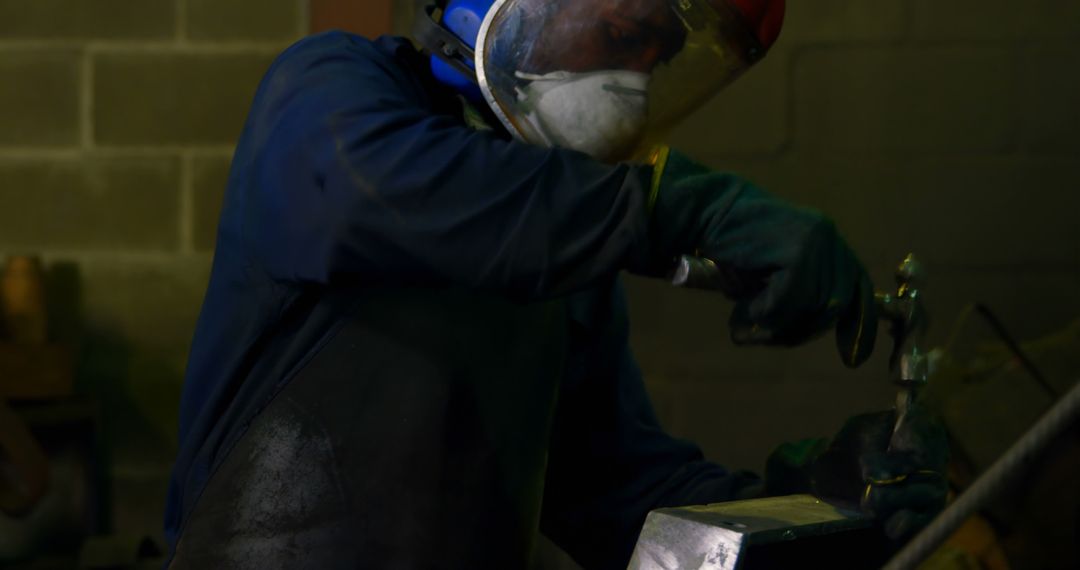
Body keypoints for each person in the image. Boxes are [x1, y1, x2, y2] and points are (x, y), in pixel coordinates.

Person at [163, 0, 946, 568]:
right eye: (620, 35)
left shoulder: (567, 254)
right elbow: (371, 191)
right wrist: (679, 207)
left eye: (657, 59)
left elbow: (620, 495)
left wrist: (817, 504)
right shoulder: (333, 92)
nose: (635, 87)